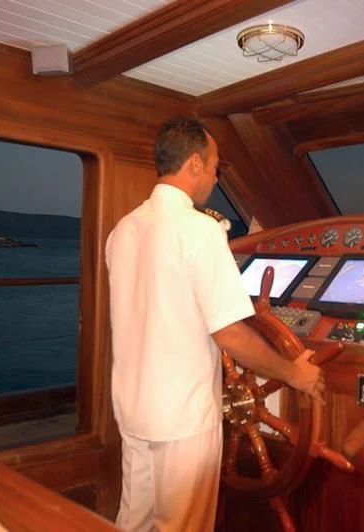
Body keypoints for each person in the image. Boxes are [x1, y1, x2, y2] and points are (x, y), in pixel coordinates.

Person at [105, 116, 325, 532]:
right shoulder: (201, 232)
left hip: (133, 410)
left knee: (135, 523)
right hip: (182, 418)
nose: (213, 175)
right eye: (213, 165)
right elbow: (230, 333)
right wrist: (294, 373)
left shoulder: (123, 230)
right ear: (193, 164)